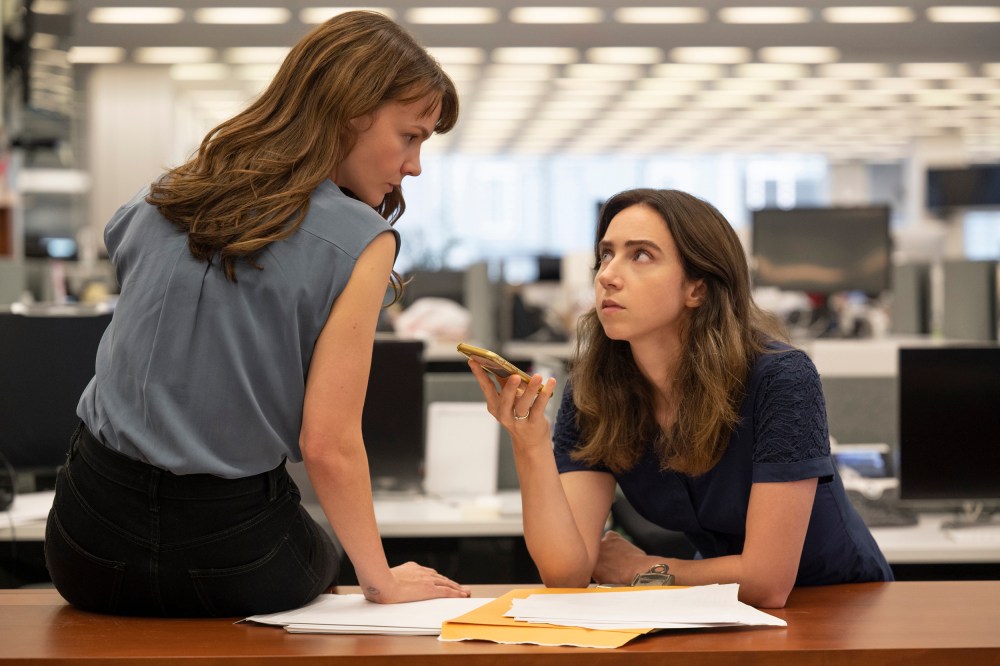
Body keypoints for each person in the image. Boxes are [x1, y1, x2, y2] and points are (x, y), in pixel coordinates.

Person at [45, 10, 470, 617]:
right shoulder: (361, 237)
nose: (415, 165)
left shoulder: (163, 195)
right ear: (352, 112)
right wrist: (381, 582)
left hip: (84, 543)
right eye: (412, 135)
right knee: (319, 555)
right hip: (230, 552)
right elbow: (328, 445)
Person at [467, 188, 893, 608]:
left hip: (835, 604)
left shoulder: (779, 379)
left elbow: (767, 582)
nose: (607, 275)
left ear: (697, 289)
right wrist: (530, 443)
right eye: (607, 254)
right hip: (715, 604)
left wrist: (641, 569)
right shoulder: (597, 387)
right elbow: (566, 572)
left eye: (641, 255)